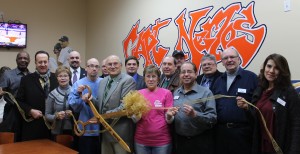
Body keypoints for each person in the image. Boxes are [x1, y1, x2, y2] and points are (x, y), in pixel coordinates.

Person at [237, 53, 300, 154]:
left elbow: (296, 125)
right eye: (269, 66)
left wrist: (294, 151)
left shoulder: (289, 92)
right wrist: (247, 108)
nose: (271, 71)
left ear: (282, 71)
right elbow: (256, 120)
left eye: (276, 68)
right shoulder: (260, 90)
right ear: (264, 67)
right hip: (261, 145)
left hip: (280, 146)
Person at [211, 47, 258, 154]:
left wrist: (247, 107)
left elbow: (259, 106)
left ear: (239, 59)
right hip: (221, 133)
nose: (229, 60)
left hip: (243, 133)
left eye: (232, 57)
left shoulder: (251, 78)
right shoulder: (218, 81)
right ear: (222, 62)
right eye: (225, 58)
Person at [166, 62, 217, 154]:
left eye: (189, 71)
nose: (186, 74)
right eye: (183, 72)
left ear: (196, 74)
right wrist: (170, 115)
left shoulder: (206, 93)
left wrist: (195, 114)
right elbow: (173, 115)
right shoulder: (176, 92)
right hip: (180, 141)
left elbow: (212, 119)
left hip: (199, 141)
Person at [96, 55, 136, 154]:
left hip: (120, 133)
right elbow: (100, 104)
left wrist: (104, 116)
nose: (112, 66)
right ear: (105, 67)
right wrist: (89, 100)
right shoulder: (103, 81)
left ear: (121, 66)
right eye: (110, 64)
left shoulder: (128, 80)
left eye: (115, 64)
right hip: (105, 131)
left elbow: (125, 106)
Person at [17, 50, 58, 141]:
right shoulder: (26, 80)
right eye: (40, 62)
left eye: (45, 62)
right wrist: (30, 111)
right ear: (35, 63)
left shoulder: (57, 78)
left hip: (54, 127)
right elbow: (19, 101)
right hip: (33, 126)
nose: (43, 64)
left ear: (48, 62)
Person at [134, 64, 173, 154]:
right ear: (144, 79)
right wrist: (135, 114)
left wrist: (170, 116)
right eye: (148, 76)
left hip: (162, 141)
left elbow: (169, 120)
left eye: (154, 76)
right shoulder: (138, 94)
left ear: (158, 79)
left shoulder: (167, 93)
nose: (151, 79)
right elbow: (134, 120)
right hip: (141, 141)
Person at [68, 58, 101, 154]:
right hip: (85, 129)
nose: (94, 68)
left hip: (101, 129)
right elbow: (73, 105)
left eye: (96, 66)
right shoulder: (78, 84)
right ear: (86, 68)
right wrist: (79, 95)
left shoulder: (103, 82)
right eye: (91, 66)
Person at [0, 51, 30, 141]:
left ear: (29, 60)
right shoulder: (7, 74)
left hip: (27, 112)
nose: (23, 60)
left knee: (25, 139)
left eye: (25, 58)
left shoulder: (32, 76)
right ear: (16, 60)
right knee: (10, 139)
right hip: (11, 112)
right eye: (20, 58)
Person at [45, 66, 73, 138]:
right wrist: (56, 116)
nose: (63, 78)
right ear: (57, 78)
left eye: (65, 76)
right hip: (56, 132)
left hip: (73, 132)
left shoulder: (75, 92)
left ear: (69, 77)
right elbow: (47, 115)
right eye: (60, 76)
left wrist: (73, 114)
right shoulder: (52, 94)